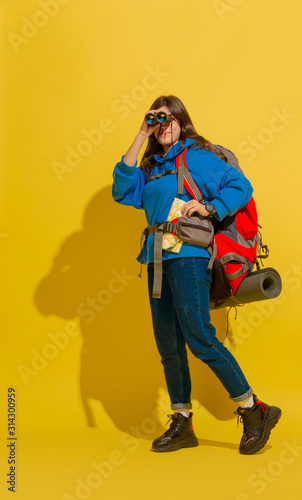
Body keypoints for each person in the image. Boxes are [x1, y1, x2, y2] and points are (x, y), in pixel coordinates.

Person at [112, 95, 281, 455]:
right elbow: (121, 190)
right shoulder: (153, 167)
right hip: (158, 259)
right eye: (158, 119)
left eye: (169, 118)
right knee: (168, 346)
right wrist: (142, 134)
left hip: (188, 254)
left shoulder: (196, 157)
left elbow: (241, 186)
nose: (164, 124)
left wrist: (209, 208)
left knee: (199, 336)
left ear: (181, 121)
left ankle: (255, 410)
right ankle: (182, 421)